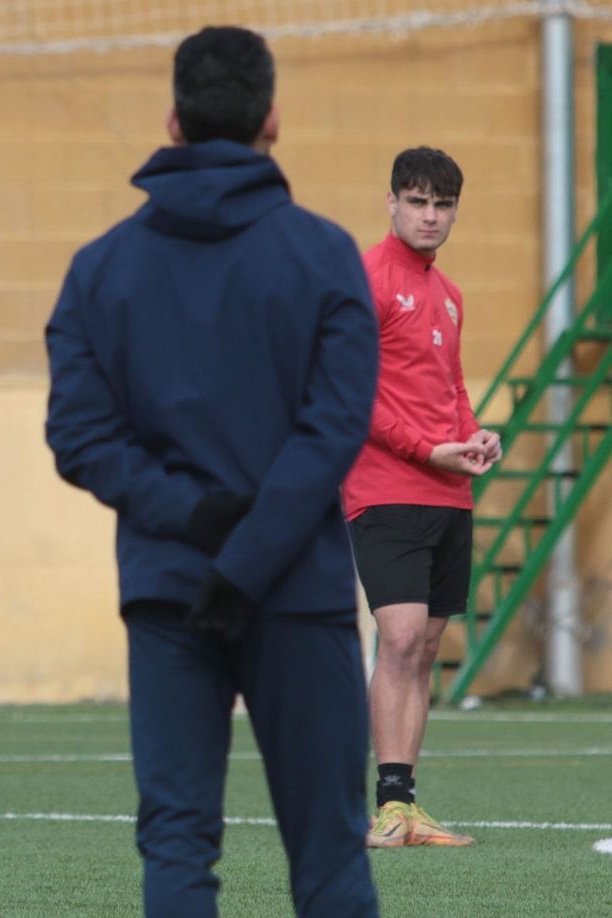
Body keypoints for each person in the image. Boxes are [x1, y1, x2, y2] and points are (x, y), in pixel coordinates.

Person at [44, 26, 380, 917]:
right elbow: (335, 427)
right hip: (297, 590)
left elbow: (79, 435)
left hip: (169, 588)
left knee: (179, 845)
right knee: (330, 855)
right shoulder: (325, 254)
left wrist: (196, 525)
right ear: (272, 119)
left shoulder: (100, 268)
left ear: (173, 120)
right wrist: (250, 552)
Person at [343, 147, 498, 849]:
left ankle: (406, 805)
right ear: (392, 203)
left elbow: (452, 388)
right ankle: (385, 809)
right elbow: (357, 391)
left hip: (449, 491)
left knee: (427, 645)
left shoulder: (452, 294)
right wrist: (423, 448)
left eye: (442, 205)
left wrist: (473, 436)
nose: (430, 216)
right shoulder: (365, 279)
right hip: (384, 488)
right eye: (417, 201)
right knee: (399, 637)